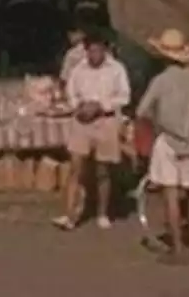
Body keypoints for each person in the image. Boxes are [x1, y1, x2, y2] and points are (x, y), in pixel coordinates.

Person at [135, 28, 189, 264]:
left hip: (169, 141)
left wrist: (159, 121)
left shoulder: (161, 81)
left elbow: (141, 111)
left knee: (171, 194)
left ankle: (178, 248)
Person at [55, 29, 130, 230]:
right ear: (86, 51)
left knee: (102, 171)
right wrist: (79, 106)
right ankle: (69, 215)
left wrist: (100, 105)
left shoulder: (116, 69)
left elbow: (124, 96)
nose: (94, 55)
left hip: (105, 121)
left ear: (105, 50)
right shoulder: (79, 70)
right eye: (91, 51)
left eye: (98, 51)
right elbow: (71, 93)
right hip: (82, 122)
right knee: (75, 168)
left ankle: (102, 213)